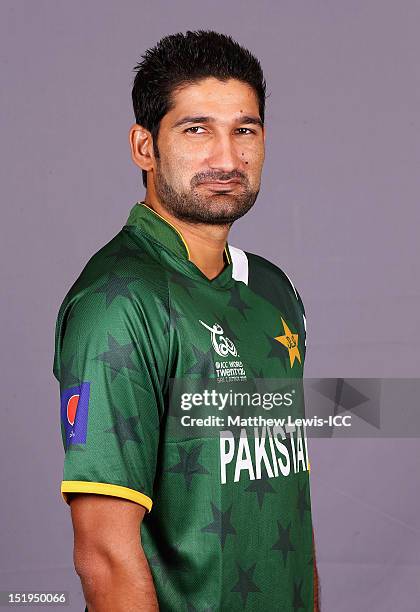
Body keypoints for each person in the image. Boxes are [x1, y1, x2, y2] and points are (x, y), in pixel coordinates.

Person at [53, 30, 319, 611]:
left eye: (243, 130)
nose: (226, 158)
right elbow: (103, 551)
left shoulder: (274, 290)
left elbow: (287, 507)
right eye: (196, 129)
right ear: (144, 147)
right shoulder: (119, 302)